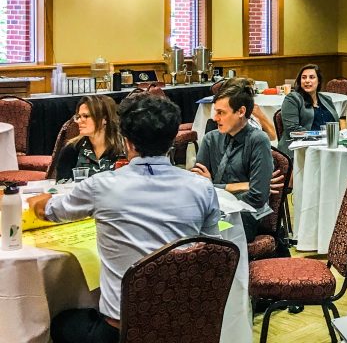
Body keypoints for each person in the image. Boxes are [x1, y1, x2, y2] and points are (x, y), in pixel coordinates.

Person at [28, 94, 220, 343]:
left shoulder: (102, 186)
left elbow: (53, 211)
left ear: (127, 142)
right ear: (173, 139)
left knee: (61, 322)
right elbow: (213, 251)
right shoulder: (202, 188)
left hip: (120, 330)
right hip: (186, 324)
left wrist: (39, 202)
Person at [193, 83, 272, 242]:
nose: (215, 118)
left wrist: (214, 187)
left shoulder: (258, 140)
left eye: (221, 112)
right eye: (216, 112)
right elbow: (198, 187)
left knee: (215, 237)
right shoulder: (211, 139)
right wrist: (239, 186)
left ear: (241, 112)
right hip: (214, 211)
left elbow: (257, 197)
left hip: (247, 214)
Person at [54, 95, 125, 182]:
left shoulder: (125, 148)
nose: (79, 121)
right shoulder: (71, 149)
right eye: (79, 117)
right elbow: (61, 185)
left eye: (86, 116)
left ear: (104, 119)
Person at [277, 64, 341, 156]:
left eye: (311, 77)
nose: (307, 81)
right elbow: (292, 129)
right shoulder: (292, 99)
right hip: (300, 150)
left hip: (326, 147)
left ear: (318, 81)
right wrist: (318, 137)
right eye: (303, 78)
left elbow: (335, 124)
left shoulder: (326, 99)